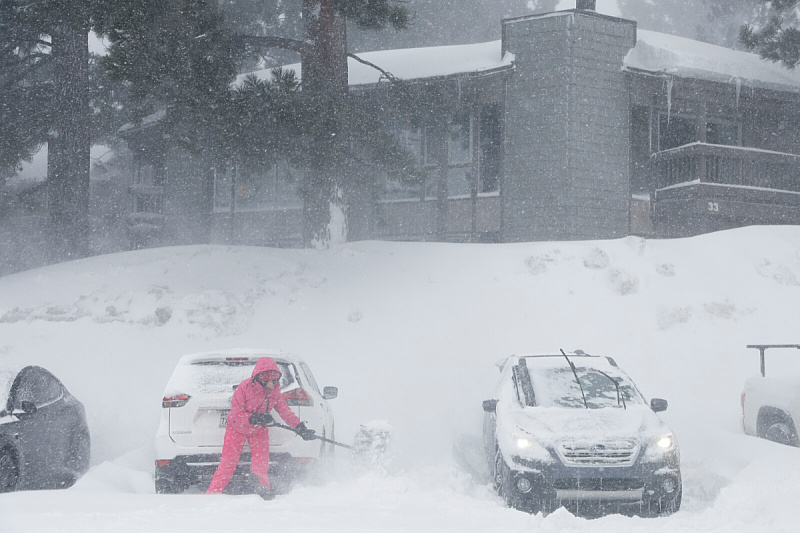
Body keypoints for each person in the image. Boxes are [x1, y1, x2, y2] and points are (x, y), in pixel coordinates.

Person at [207, 357, 316, 499]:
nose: (271, 382)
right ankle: (211, 495)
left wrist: (300, 428)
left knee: (261, 464)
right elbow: (235, 415)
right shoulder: (244, 388)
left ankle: (263, 490)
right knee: (227, 465)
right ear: (258, 377)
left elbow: (285, 411)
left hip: (259, 430)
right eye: (267, 378)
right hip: (236, 429)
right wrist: (254, 418)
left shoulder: (275, 391)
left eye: (274, 379)